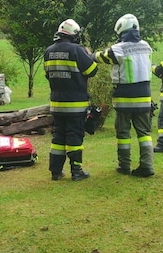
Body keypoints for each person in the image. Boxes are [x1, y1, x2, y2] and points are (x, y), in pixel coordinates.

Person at [92, 14, 155, 177]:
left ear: (121, 31)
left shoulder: (118, 49)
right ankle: (147, 166)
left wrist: (89, 54)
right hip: (144, 96)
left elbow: (100, 57)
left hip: (124, 97)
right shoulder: (146, 46)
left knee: (123, 133)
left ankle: (124, 166)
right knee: (144, 134)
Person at [44, 19, 98, 181]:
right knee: (74, 136)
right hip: (75, 104)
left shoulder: (48, 51)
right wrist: (89, 56)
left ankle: (56, 172)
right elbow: (92, 71)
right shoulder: (76, 50)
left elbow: (48, 74)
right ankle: (76, 171)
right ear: (74, 35)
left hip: (56, 104)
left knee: (58, 137)